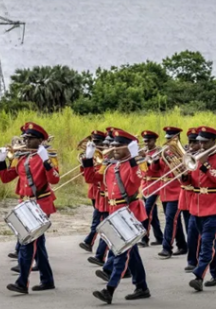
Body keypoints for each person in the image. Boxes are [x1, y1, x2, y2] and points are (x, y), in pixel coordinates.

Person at [84, 129, 151, 304]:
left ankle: (110, 289)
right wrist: (88, 158)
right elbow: (91, 178)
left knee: (121, 252)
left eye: (119, 145)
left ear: (129, 147)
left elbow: (136, 181)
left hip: (129, 212)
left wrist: (134, 159)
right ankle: (142, 287)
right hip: (114, 211)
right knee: (131, 253)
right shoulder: (111, 166)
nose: (114, 148)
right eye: (113, 145)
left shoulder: (134, 165)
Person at [0, 122, 60, 294]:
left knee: (27, 243)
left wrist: (46, 160)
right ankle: (47, 280)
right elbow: (6, 178)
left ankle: (22, 282)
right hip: (24, 204)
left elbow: (54, 179)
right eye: (25, 138)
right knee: (38, 245)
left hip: (40, 203)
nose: (26, 142)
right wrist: (1, 161)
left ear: (40, 140)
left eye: (30, 139)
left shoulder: (48, 156)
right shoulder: (22, 157)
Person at [183, 126, 216, 291]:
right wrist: (184, 176)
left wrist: (205, 165)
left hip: (214, 207)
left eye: (205, 142)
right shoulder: (196, 157)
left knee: (206, 243)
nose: (201, 145)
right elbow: (191, 182)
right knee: (208, 244)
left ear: (213, 141)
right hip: (196, 207)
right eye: (200, 142)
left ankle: (199, 276)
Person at [156, 126, 187, 259]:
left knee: (170, 219)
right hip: (165, 191)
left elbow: (186, 171)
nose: (168, 143)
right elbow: (154, 171)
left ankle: (166, 247)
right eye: (167, 140)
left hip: (176, 190)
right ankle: (182, 245)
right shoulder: (165, 154)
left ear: (177, 138)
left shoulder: (183, 154)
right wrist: (155, 162)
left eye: (171, 140)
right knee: (174, 220)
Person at [80, 130, 109, 265]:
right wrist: (86, 162)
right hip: (101, 197)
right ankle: (93, 247)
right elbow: (90, 177)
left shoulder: (109, 161)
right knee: (99, 222)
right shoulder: (103, 160)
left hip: (112, 201)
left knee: (105, 227)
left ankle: (99, 255)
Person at [138, 130, 163, 248]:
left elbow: (155, 169)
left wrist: (146, 158)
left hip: (154, 184)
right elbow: (143, 170)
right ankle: (160, 237)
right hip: (145, 185)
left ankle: (144, 239)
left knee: (146, 212)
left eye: (148, 141)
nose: (146, 143)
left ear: (154, 140)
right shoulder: (145, 152)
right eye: (145, 141)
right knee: (153, 214)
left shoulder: (158, 152)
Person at [181, 127, 200, 272]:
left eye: (195, 142)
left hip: (204, 200)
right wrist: (183, 174)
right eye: (190, 142)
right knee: (191, 231)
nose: (192, 145)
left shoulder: (207, 157)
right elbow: (185, 181)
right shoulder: (187, 156)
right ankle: (192, 260)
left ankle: (202, 260)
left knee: (204, 236)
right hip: (188, 198)